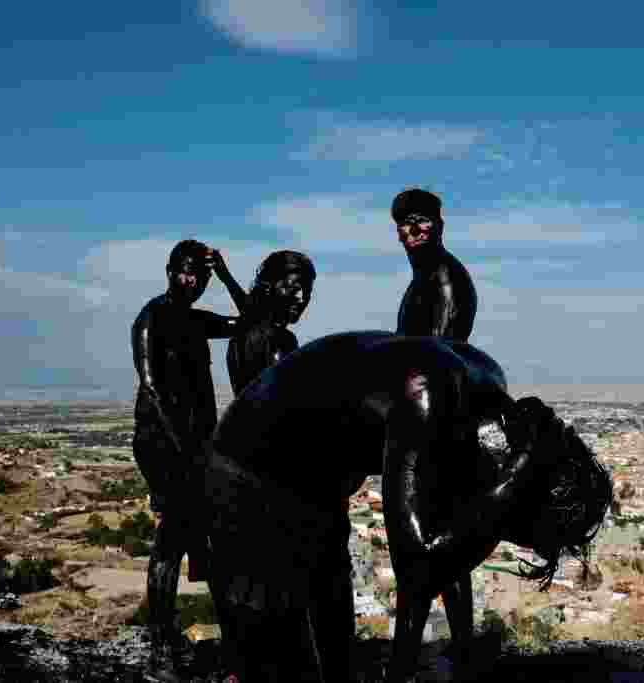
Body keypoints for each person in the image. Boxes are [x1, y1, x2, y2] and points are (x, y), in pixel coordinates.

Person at [203, 331, 612, 682]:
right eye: (512, 526)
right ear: (520, 492)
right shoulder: (431, 392)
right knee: (277, 647)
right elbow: (418, 565)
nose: (500, 534)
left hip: (312, 480)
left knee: (332, 626)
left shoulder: (485, 399)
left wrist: (409, 666)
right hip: (248, 472)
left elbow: (441, 554)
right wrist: (508, 490)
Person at [130, 239, 242, 663]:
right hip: (164, 444)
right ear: (170, 269)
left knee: (203, 536)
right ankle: (159, 635)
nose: (193, 280)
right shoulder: (150, 319)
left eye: (202, 274)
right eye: (186, 270)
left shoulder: (196, 321)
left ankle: (216, 632)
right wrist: (181, 450)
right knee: (174, 536)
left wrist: (228, 273)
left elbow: (250, 320)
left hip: (196, 445)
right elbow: (153, 388)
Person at [225, 250, 316, 397]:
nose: (302, 298)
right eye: (294, 288)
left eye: (307, 292)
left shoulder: (285, 339)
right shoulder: (253, 337)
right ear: (268, 287)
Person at [392, 188, 477, 342]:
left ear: (440, 226)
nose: (414, 229)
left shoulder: (447, 278)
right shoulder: (420, 281)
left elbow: (441, 348)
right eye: (406, 223)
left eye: (422, 221)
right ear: (399, 233)